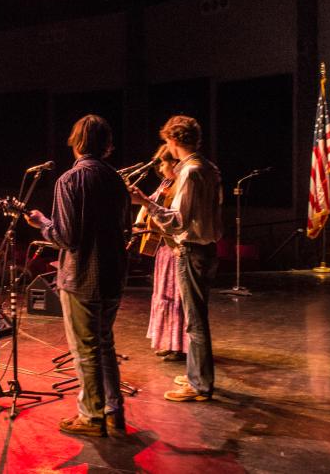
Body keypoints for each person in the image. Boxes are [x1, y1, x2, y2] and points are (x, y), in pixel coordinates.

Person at [24, 114, 130, 438]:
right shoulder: (116, 180)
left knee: (85, 349)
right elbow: (124, 229)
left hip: (82, 276)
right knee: (105, 344)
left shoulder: (69, 181)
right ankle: (114, 412)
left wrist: (43, 222)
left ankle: (91, 415)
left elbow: (67, 238)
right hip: (114, 275)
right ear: (105, 144)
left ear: (77, 141)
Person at [129, 115, 224, 402]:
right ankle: (197, 375)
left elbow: (179, 220)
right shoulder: (210, 168)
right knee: (195, 317)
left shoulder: (190, 172)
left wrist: (145, 202)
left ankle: (200, 386)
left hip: (191, 250)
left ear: (172, 141)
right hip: (206, 249)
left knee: (195, 320)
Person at [138, 145, 187, 362]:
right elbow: (148, 200)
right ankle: (168, 342)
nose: (160, 167)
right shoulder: (166, 184)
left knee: (176, 297)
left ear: (174, 163)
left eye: (163, 162)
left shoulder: (180, 185)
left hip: (175, 248)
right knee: (164, 295)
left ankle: (180, 345)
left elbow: (173, 216)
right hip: (163, 249)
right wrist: (139, 221)